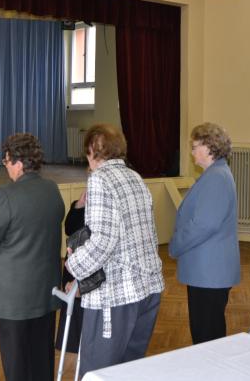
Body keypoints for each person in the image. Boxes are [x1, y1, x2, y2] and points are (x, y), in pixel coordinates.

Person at [65, 124, 165, 375]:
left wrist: (73, 265)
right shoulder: (135, 176)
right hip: (148, 289)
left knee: (97, 374)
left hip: (116, 297)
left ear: (91, 151)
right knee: (129, 371)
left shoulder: (99, 179)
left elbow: (103, 241)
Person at [0, 133, 64, 381]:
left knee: (17, 366)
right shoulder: (52, 189)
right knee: (42, 360)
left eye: (6, 161)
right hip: (45, 292)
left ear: (18, 163)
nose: (6, 167)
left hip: (13, 299)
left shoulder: (6, 195)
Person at [169, 122, 240, 344]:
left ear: (209, 147)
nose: (192, 152)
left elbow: (204, 224)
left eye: (194, 147)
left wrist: (175, 245)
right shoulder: (216, 173)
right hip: (209, 272)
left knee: (207, 337)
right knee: (207, 333)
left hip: (209, 272)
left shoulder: (216, 177)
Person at [55, 192, 87, 356]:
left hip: (87, 264)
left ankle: (84, 344)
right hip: (74, 263)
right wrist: (79, 205)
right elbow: (69, 228)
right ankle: (72, 342)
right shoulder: (80, 204)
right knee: (72, 304)